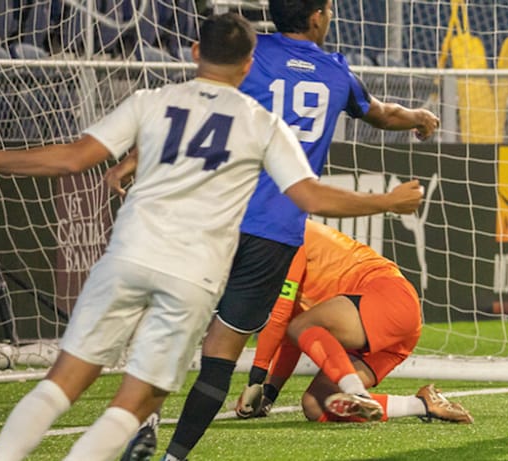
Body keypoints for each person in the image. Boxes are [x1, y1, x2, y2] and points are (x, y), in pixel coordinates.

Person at [0, 13, 423, 461]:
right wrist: (387, 201)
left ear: (196, 51)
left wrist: (130, 159)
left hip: (148, 247)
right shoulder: (264, 123)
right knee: (170, 381)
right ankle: (170, 452)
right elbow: (309, 192)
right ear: (246, 64)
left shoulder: (152, 100)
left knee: (62, 382)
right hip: (222, 258)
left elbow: (74, 158)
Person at [107, 1, 440, 459]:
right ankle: (173, 457)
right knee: (221, 354)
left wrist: (135, 159)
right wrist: (419, 118)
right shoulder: (337, 74)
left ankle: (143, 423)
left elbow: (198, 103)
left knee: (166, 323)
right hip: (277, 234)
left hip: (216, 215)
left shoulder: (252, 53)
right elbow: (382, 114)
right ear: (320, 16)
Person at [230, 220, 472, 424]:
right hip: (391, 335)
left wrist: (256, 380)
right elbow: (292, 336)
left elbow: (283, 316)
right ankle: (422, 404)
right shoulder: (268, 239)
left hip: (389, 297)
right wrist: (269, 395)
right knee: (317, 404)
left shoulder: (285, 233)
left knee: (299, 327)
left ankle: (356, 391)